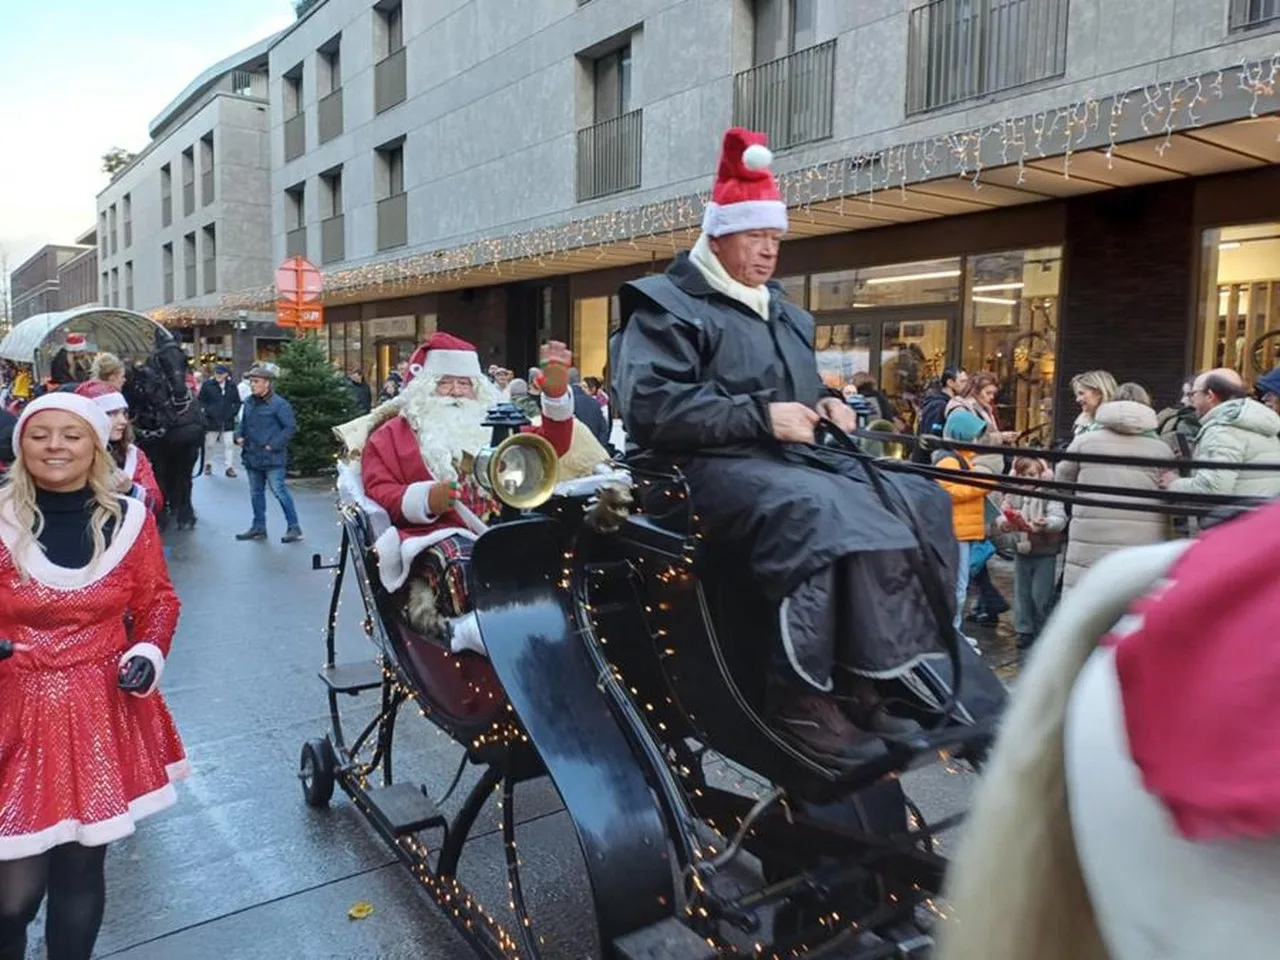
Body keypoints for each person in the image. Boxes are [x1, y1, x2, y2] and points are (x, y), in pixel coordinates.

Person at [614, 127, 958, 767]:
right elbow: (650, 408)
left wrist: (826, 405)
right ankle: (800, 694)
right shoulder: (663, 307)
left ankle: (870, 674)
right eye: (756, 237)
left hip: (785, 463)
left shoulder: (787, 313)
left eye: (775, 239)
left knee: (917, 497)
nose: (769, 252)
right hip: (694, 472)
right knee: (823, 517)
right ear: (719, 234)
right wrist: (763, 417)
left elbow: (795, 395)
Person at [0, 392, 187, 960]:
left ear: (95, 444)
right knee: (12, 896)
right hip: (14, 710)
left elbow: (157, 600)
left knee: (82, 867)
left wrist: (148, 651)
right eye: (40, 434)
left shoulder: (130, 517)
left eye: (71, 435)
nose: (55, 446)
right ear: (21, 445)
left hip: (100, 706)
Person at [356, 334, 582, 643]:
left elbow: (547, 446)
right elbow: (379, 490)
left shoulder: (496, 422)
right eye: (445, 383)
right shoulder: (390, 435)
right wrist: (425, 499)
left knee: (565, 550)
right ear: (423, 388)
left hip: (504, 522)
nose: (457, 393)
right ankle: (475, 636)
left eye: (465, 384)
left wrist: (555, 396)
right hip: (436, 534)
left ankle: (562, 626)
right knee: (465, 564)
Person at [1057, 382, 1171, 591]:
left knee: (1086, 601)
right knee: (1132, 604)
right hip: (1142, 543)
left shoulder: (1085, 442)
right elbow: (1171, 491)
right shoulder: (1162, 449)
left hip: (1089, 536)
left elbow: (1062, 480)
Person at [1163, 367, 1280, 500]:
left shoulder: (1223, 430)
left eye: (1192, 394)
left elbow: (1212, 489)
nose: (1190, 401)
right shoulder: (1256, 421)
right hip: (1259, 516)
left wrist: (1174, 483)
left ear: (1210, 396)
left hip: (1233, 516)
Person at [932, 410, 997, 638]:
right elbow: (950, 491)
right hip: (956, 531)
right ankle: (952, 635)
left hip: (963, 530)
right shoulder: (950, 460)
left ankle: (955, 632)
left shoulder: (964, 460)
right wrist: (984, 484)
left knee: (961, 586)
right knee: (957, 587)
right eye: (976, 434)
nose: (979, 439)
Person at [998, 456, 1066, 650]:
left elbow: (1059, 517)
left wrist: (1047, 523)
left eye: (1031, 475)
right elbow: (1002, 513)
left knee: (1041, 593)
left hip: (1044, 550)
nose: (1026, 479)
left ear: (1042, 475)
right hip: (1021, 549)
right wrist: (1004, 523)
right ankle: (1024, 629)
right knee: (1022, 592)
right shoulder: (1014, 495)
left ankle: (1043, 628)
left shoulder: (1048, 494)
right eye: (1022, 475)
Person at [74, 381, 164, 518]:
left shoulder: (132, 455)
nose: (123, 421)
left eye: (124, 413)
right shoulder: (69, 455)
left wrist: (130, 489)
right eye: (112, 414)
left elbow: (155, 505)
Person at [234, 365, 302, 543]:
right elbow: (243, 423)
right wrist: (238, 436)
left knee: (279, 491)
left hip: (272, 457)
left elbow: (290, 428)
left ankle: (294, 527)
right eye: (251, 382)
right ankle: (259, 527)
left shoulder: (279, 404)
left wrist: (273, 445)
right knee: (256, 493)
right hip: (252, 455)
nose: (252, 385)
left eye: (256, 382)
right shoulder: (249, 402)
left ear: (267, 384)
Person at [915, 367, 968, 464]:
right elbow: (933, 439)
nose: (966, 386)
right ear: (950, 383)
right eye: (963, 381)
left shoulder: (943, 403)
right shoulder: (939, 405)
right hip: (930, 466)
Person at [198, 364, 242, 478]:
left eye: (221, 374)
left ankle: (229, 467)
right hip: (211, 420)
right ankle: (208, 464)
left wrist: (233, 412)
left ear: (226, 375)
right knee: (209, 444)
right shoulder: (208, 385)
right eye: (217, 373)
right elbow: (201, 400)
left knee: (229, 445)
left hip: (227, 420)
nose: (218, 375)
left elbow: (237, 401)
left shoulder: (232, 386)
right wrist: (206, 411)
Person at [1069, 369, 1118, 437]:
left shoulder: (1117, 424)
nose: (1077, 400)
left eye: (1081, 393)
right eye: (1077, 395)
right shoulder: (1082, 422)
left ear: (1099, 393)